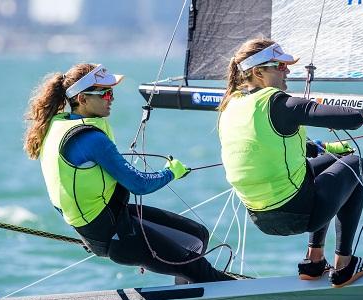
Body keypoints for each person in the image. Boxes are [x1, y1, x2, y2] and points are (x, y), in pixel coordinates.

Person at [24, 63, 234, 283]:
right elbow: (139, 185)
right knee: (198, 268)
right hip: (115, 235)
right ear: (82, 99)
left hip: (112, 221)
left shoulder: (58, 126)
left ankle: (186, 293)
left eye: (111, 92)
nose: (111, 98)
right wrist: (171, 172)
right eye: (104, 93)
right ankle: (220, 291)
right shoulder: (91, 139)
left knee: (197, 237)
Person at [217, 37, 363, 288]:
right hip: (295, 216)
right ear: (258, 72)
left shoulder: (231, 105)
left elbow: (265, 145)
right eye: (280, 66)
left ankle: (313, 262)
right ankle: (344, 266)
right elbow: (354, 119)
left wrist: (320, 147)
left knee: (336, 160)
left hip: (261, 219)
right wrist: (311, 107)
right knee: (354, 164)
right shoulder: (279, 103)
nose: (287, 71)